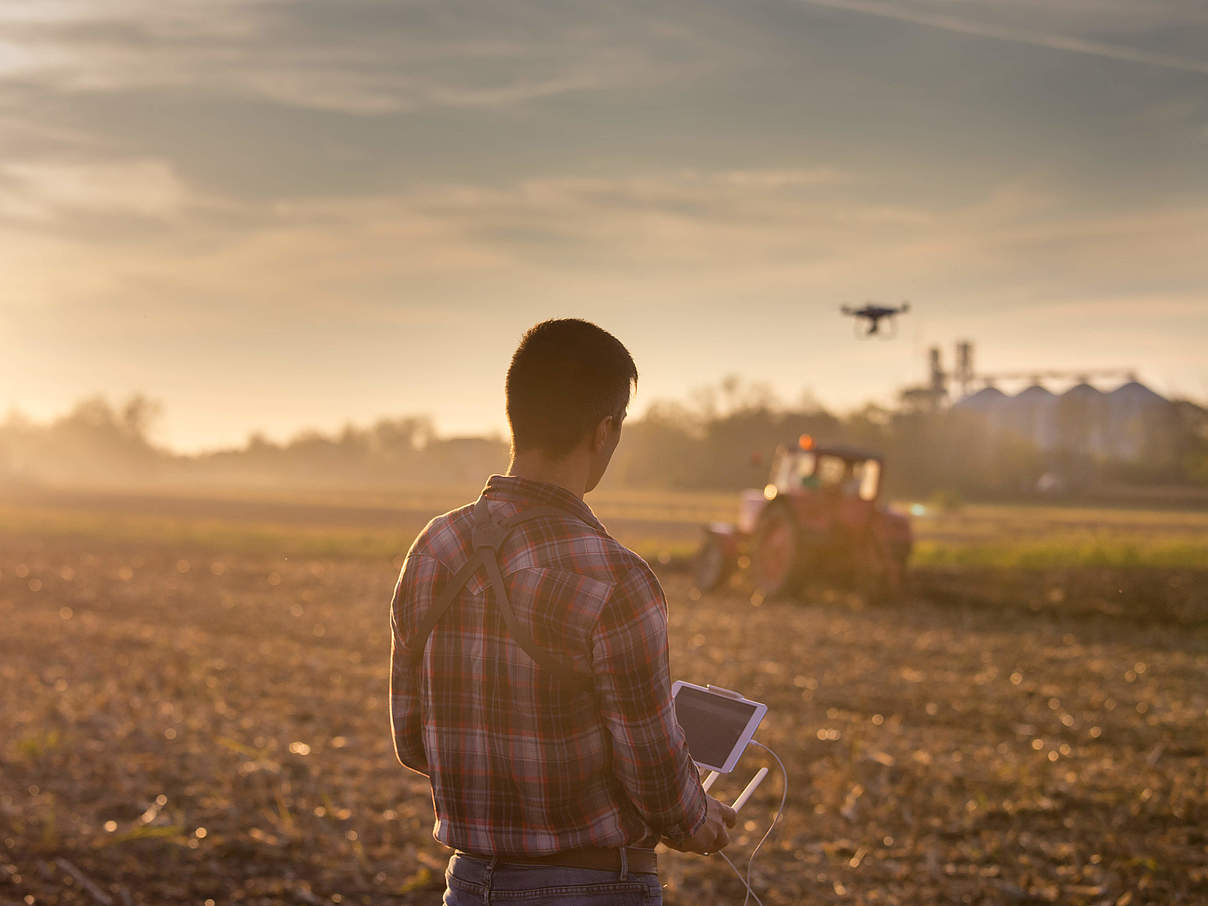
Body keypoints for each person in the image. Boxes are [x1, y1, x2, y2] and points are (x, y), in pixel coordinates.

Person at [389, 318, 736, 905]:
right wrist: (696, 818)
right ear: (604, 431)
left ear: (515, 415)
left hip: (469, 885)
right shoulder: (615, 576)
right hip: (595, 888)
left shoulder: (434, 549)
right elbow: (653, 769)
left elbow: (411, 741)